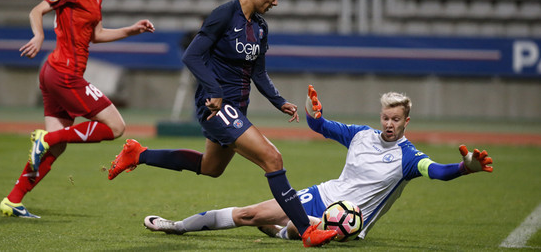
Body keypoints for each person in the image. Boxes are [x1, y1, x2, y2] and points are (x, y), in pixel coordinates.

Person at [107, 0, 339, 247]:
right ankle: (307, 231)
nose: (275, 2)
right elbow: (192, 56)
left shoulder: (260, 27)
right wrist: (215, 91)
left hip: (236, 109)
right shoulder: (223, 15)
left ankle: (138, 154)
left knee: (211, 168)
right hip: (216, 107)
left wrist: (278, 100)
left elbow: (258, 72)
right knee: (272, 157)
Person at [141, 85, 494, 243]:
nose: (389, 124)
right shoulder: (360, 134)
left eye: (396, 119)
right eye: (385, 117)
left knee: (294, 228)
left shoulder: (408, 157)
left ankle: (284, 230)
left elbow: (439, 172)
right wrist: (314, 113)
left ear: (406, 122)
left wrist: (465, 167)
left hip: (347, 223)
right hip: (320, 196)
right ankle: (178, 227)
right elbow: (319, 126)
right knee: (249, 215)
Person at [0, 0, 155, 218]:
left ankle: (13, 199)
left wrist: (131, 30)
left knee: (56, 147)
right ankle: (45, 138)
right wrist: (38, 34)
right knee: (116, 127)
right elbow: (37, 11)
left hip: (55, 72)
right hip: (64, 73)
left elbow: (96, 34)